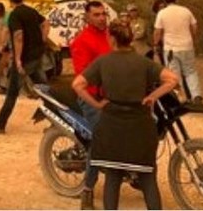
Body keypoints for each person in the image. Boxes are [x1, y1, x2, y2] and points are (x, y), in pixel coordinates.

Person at [73, 21, 178, 210]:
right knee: (148, 179)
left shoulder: (103, 62)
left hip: (112, 126)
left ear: (111, 38)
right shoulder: (144, 63)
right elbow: (172, 79)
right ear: (130, 39)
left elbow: (77, 85)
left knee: (113, 178)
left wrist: (97, 104)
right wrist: (152, 96)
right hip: (140, 126)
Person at [0, 0, 49, 133]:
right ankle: (60, 120)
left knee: (12, 93)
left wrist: (18, 60)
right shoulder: (31, 11)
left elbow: (18, 36)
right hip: (37, 56)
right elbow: (45, 23)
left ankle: (0, 124)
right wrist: (42, 39)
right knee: (45, 90)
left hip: (25, 60)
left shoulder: (14, 15)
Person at [68, 0, 112, 209]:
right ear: (87, 17)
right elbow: (82, 76)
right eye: (96, 14)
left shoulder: (109, 36)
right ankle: (87, 190)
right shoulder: (82, 41)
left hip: (114, 96)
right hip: (92, 99)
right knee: (101, 140)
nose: (102, 17)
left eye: (103, 14)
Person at [153, 0, 203, 104]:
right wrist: (191, 38)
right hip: (187, 46)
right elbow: (194, 26)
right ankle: (196, 95)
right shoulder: (186, 10)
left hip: (171, 48)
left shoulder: (162, 13)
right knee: (191, 71)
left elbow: (157, 32)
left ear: (164, 0)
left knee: (174, 74)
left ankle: (181, 98)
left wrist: (156, 44)